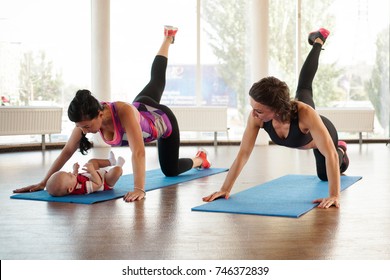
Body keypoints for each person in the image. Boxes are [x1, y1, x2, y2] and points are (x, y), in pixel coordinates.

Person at [13, 25, 211, 202]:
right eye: (81, 128)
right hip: (141, 106)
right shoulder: (86, 119)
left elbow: (138, 152)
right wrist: (43, 182)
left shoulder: (122, 111)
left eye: (87, 127)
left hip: (162, 121)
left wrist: (139, 189)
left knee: (170, 170)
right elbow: (67, 151)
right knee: (157, 80)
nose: (86, 132)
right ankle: (168, 37)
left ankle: (200, 158)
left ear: (100, 114)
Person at [203, 28, 349, 209]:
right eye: (252, 107)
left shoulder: (305, 114)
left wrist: (334, 195)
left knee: (325, 175)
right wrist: (225, 189)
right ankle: (318, 40)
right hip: (298, 117)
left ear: (276, 109)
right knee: (304, 88)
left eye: (259, 110)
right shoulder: (257, 118)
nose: (253, 114)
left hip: (322, 134)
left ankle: (343, 149)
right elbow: (244, 154)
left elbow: (330, 154)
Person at [46, 151, 125, 196]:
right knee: (116, 171)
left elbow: (75, 176)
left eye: (68, 173)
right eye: (69, 175)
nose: (70, 173)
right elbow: (98, 184)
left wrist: (75, 169)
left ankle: (111, 161)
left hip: (94, 174)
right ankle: (119, 165)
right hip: (105, 181)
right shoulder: (83, 187)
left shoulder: (72, 183)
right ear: (70, 189)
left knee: (92, 161)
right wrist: (92, 171)